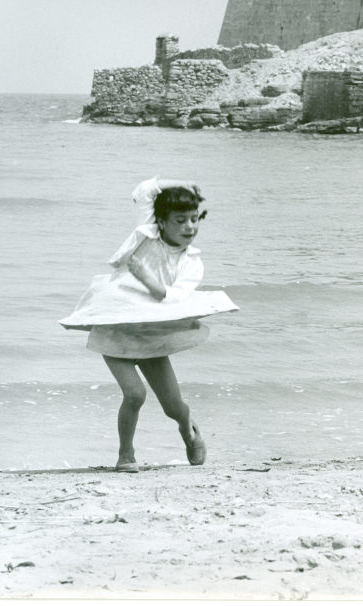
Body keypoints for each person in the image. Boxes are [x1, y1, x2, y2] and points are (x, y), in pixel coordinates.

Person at [60, 177, 238, 473]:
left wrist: (145, 276)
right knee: (135, 394)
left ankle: (187, 428)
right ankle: (125, 455)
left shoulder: (192, 262)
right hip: (115, 328)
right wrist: (185, 184)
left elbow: (174, 298)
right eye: (180, 220)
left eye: (194, 219)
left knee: (173, 407)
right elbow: (146, 190)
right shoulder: (146, 232)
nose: (189, 227)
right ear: (162, 222)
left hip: (152, 334)